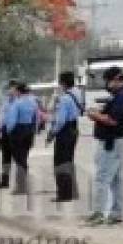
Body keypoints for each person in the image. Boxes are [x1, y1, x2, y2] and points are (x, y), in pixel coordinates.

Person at [84, 66, 123, 226]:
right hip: (118, 140)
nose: (107, 85)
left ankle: (98, 213)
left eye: (108, 82)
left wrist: (94, 115)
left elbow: (112, 120)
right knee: (116, 180)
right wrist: (101, 112)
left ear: (117, 79)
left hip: (112, 142)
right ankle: (116, 213)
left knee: (102, 178)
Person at [46, 71, 83, 203]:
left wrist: (52, 133)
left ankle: (64, 194)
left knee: (60, 163)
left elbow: (60, 121)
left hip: (65, 131)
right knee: (69, 161)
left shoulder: (65, 98)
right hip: (74, 129)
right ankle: (72, 192)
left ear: (63, 83)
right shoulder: (77, 93)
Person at [5, 82, 40, 195]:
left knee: (19, 159)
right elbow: (37, 119)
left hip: (18, 131)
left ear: (19, 92)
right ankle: (23, 185)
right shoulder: (33, 102)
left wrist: (9, 132)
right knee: (23, 157)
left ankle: (21, 187)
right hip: (29, 130)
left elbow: (12, 122)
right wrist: (34, 131)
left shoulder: (17, 103)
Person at [0, 80, 19, 189]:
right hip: (5, 131)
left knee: (19, 157)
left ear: (17, 90)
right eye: (9, 88)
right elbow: (2, 118)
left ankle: (20, 182)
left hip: (16, 131)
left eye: (12, 88)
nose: (10, 90)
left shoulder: (20, 102)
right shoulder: (6, 102)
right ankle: (5, 180)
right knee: (6, 156)